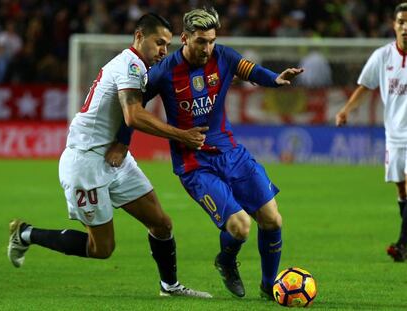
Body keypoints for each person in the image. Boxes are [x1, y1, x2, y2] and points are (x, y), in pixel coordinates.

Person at [7, 13, 211, 298]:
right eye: (159, 42)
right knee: (101, 249)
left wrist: (123, 144)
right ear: (139, 37)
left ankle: (170, 286)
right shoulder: (129, 65)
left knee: (161, 224)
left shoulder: (139, 67)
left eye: (168, 44)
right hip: (86, 163)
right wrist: (182, 135)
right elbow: (133, 115)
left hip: (115, 158)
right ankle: (26, 234)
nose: (164, 50)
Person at [109, 7, 303, 298]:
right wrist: (123, 143)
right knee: (240, 227)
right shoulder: (164, 71)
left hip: (231, 153)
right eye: (201, 41)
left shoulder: (223, 56)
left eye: (211, 40)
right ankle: (226, 261)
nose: (207, 47)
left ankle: (269, 285)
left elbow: (251, 71)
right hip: (194, 163)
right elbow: (134, 110)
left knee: (273, 219)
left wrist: (274, 79)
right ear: (185, 38)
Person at [335, 3, 407, 262]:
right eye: (401, 22)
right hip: (395, 134)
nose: (405, 27)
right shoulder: (383, 56)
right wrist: (345, 110)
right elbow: (365, 86)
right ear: (394, 25)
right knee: (402, 191)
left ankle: (401, 244)